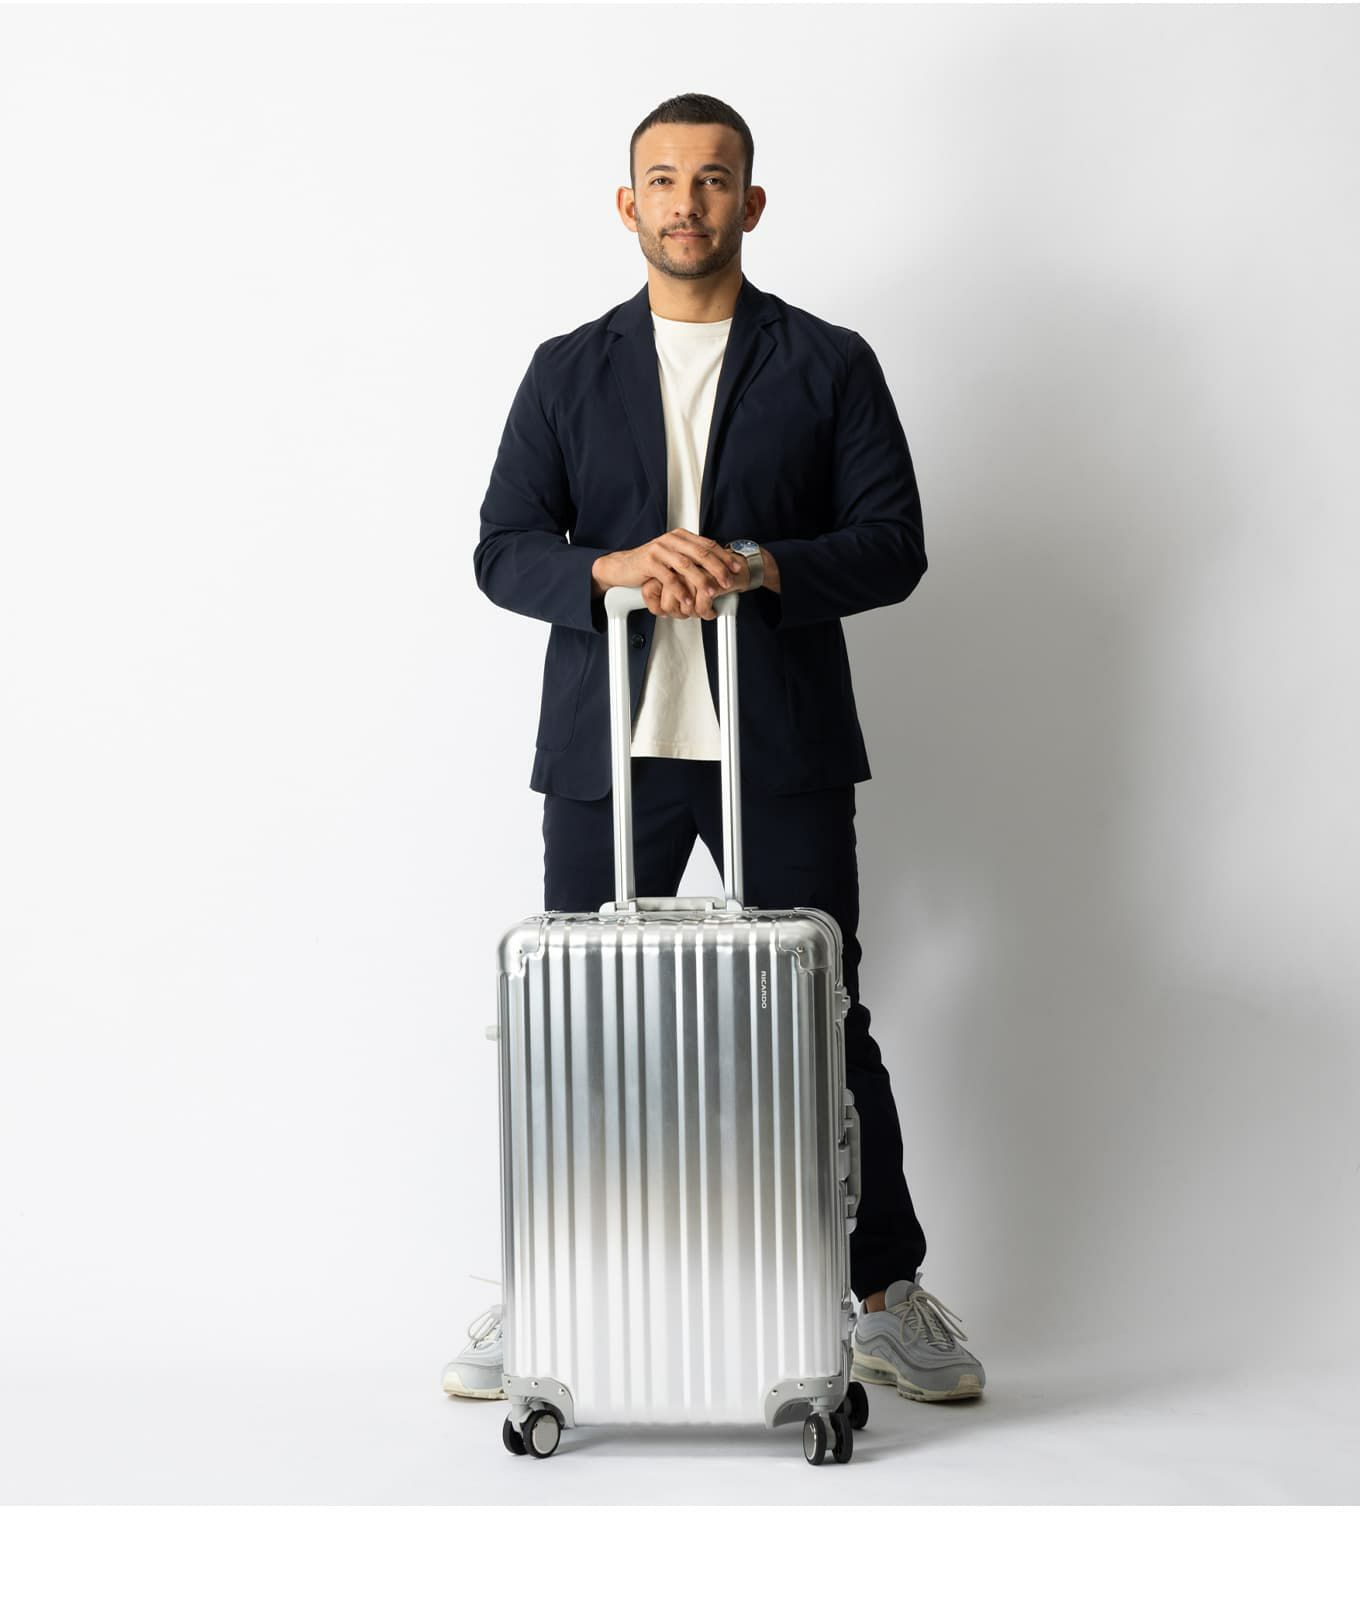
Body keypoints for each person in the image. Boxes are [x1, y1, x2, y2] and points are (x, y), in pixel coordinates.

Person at [450, 93, 985, 1408]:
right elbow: (503, 550)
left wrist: (755, 565)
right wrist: (617, 567)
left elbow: (893, 545)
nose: (686, 202)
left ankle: (883, 1295)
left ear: (751, 202)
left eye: (712, 178)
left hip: (779, 748)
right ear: (626, 205)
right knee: (572, 1023)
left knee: (825, 1018)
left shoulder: (829, 362)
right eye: (663, 179)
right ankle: (545, 1289)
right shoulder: (566, 369)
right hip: (609, 754)